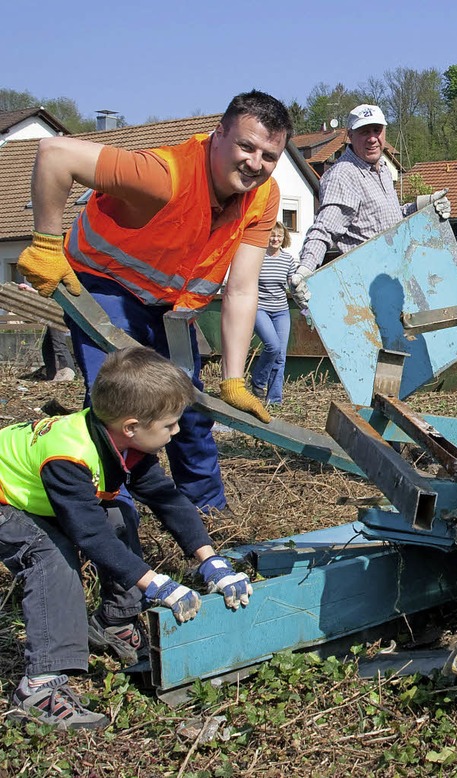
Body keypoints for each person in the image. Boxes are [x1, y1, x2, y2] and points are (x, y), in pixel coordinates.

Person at [16, 90, 293, 517]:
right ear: (218, 135)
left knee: (191, 408)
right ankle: (114, 518)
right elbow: (55, 153)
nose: (256, 163)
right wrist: (47, 244)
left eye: (269, 155)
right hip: (106, 284)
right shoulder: (164, 174)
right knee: (122, 407)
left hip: (172, 307)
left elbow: (240, 288)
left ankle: (207, 518)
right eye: (246, 146)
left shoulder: (264, 196)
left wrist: (234, 379)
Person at [0, 346, 253, 730]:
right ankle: (38, 688)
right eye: (170, 425)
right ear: (132, 426)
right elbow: (88, 534)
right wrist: (156, 584)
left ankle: (115, 620)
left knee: (120, 513)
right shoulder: (69, 456)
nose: (177, 431)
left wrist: (210, 560)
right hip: (4, 499)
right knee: (51, 554)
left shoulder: (120, 440)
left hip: (33, 493)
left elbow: (167, 498)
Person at [289, 103, 451, 308]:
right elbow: (325, 228)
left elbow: (387, 219)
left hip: (395, 280)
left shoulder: (382, 169)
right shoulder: (344, 175)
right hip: (365, 291)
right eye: (364, 131)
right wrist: (305, 270)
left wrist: (423, 205)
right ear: (350, 135)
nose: (372, 138)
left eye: (377, 130)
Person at [250, 221, 298, 405]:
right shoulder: (258, 257)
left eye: (278, 235)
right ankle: (258, 381)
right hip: (260, 308)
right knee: (273, 346)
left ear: (284, 238)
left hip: (281, 310)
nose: (275, 239)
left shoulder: (288, 260)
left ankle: (275, 400)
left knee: (281, 356)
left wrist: (304, 306)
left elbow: (293, 286)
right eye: (272, 235)